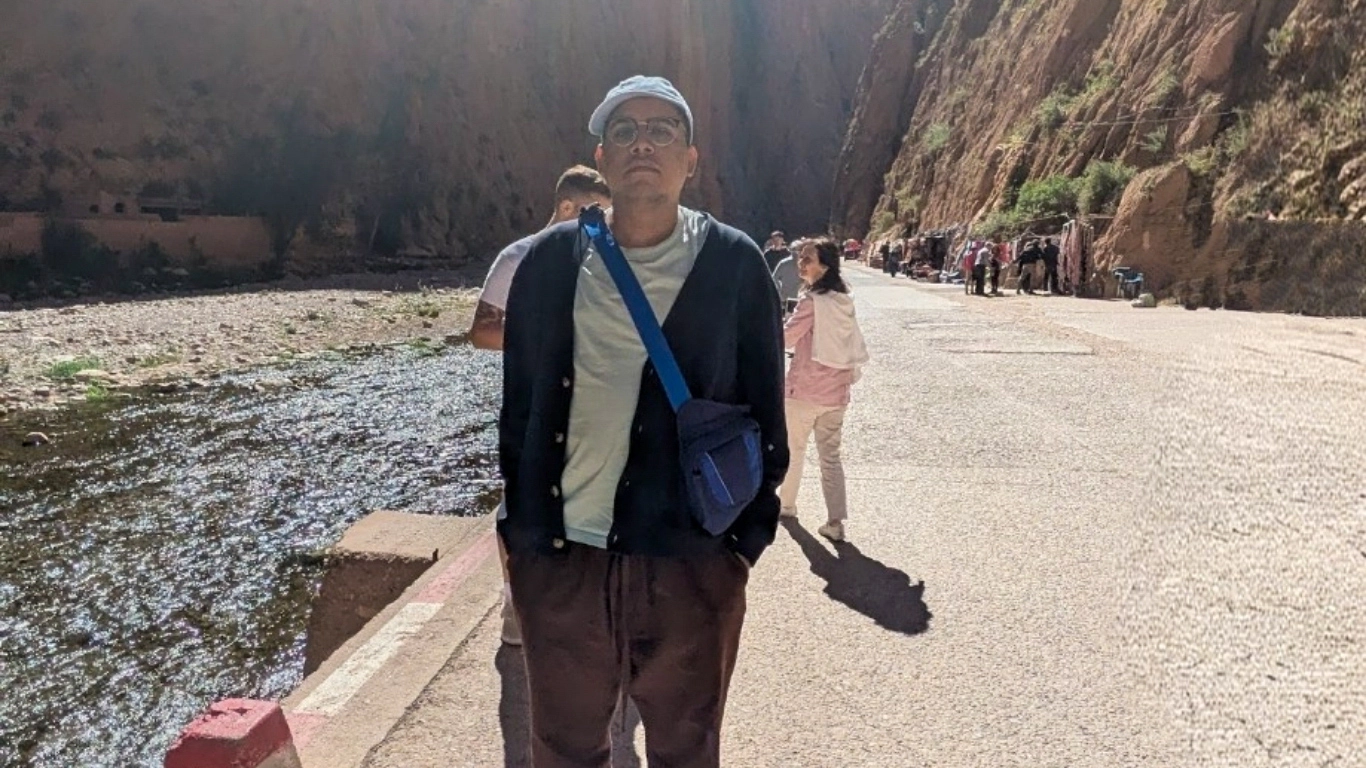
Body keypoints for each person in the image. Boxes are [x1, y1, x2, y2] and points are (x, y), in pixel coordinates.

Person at [499, 75, 788, 768]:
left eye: (663, 130)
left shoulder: (737, 266)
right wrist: (523, 538)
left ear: (691, 160)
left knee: (686, 752)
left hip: (692, 565)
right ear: (601, 159)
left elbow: (766, 412)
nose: (643, 144)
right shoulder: (545, 265)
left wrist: (739, 548)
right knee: (565, 752)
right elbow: (519, 410)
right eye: (624, 131)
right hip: (566, 561)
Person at [469, 166, 611, 647]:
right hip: (530, 406)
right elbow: (482, 331)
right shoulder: (518, 258)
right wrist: (548, 341)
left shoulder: (604, 261)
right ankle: (515, 605)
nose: (607, 222)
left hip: (592, 410)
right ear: (569, 207)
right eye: (598, 211)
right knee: (519, 508)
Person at [777, 238, 868, 542]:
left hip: (803, 392)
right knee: (830, 457)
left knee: (794, 450)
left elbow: (787, 339)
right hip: (836, 394)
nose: (801, 264)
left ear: (824, 266)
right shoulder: (844, 301)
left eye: (808, 259)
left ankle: (787, 505)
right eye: (800, 257)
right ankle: (835, 521)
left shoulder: (812, 302)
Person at [773, 238, 802, 315]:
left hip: (799, 297)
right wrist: (780, 292)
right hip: (790, 298)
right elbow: (774, 278)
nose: (796, 252)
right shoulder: (784, 263)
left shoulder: (805, 264)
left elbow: (774, 278)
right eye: (794, 250)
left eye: (798, 250)